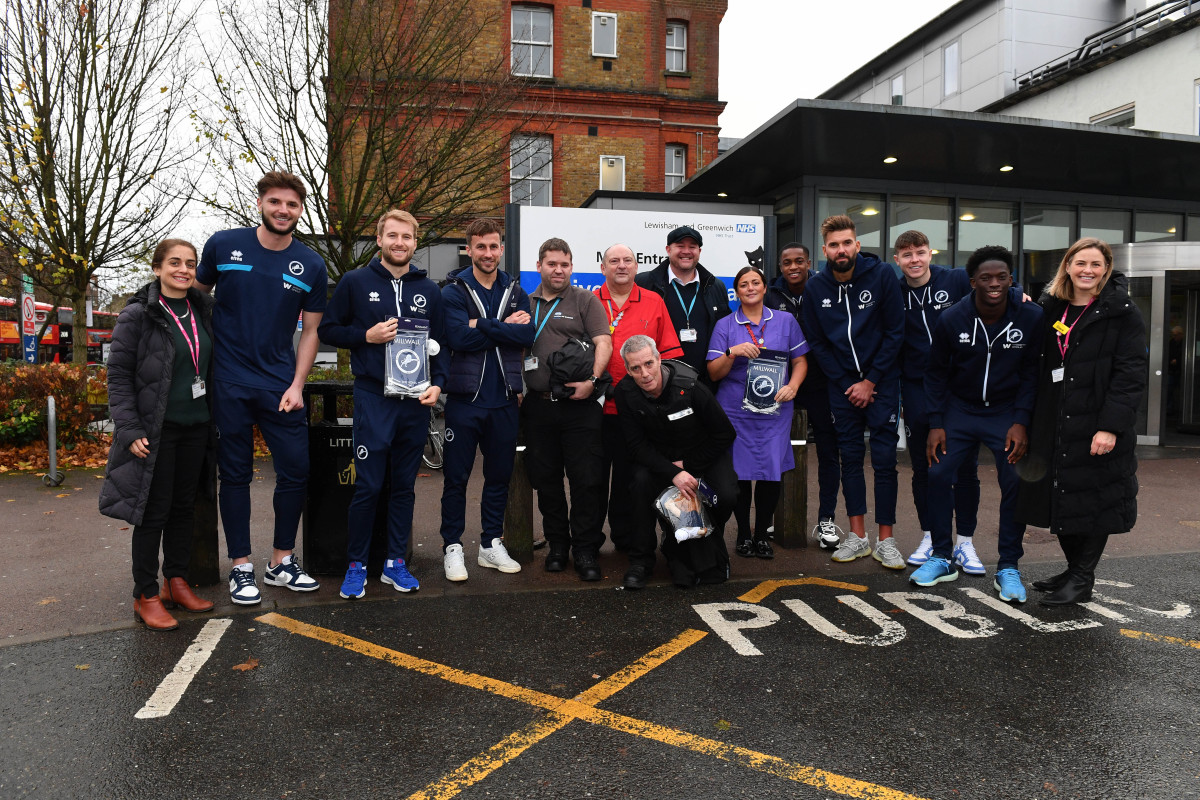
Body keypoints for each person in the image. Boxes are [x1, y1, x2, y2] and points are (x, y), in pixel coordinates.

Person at [196, 170, 327, 605]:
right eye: (275, 202)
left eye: (291, 204)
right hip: (228, 380)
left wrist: (298, 384)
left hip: (279, 385)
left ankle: (281, 562)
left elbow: (310, 332)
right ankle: (241, 567)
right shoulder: (223, 244)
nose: (283, 210)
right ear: (260, 204)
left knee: (295, 470)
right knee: (234, 474)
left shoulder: (311, 264)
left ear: (300, 210)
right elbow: (194, 301)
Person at [318, 209, 446, 598]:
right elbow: (328, 329)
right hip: (374, 397)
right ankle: (356, 565)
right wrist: (366, 336)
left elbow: (442, 348)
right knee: (369, 486)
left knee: (403, 487)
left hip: (414, 402)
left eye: (406, 237)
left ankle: (395, 563)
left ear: (415, 242)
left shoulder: (430, 290)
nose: (399, 243)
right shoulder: (355, 282)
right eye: (392, 235)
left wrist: (438, 385)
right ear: (379, 239)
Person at [1017, 237, 1147, 606]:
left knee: (1094, 499)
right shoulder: (1050, 308)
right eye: (1080, 263)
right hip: (1055, 420)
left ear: (1106, 269)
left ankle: (1082, 577)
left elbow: (1130, 374)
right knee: (1061, 493)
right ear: (1068, 267)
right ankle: (1074, 570)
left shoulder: (1121, 312)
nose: (1087, 271)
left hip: (1096, 422)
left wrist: (1110, 427)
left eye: (1095, 264)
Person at [910, 245, 1043, 604]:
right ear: (973, 282)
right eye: (986, 278)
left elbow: (1032, 374)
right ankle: (941, 556)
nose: (995, 283)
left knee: (1014, 480)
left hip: (1005, 412)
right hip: (960, 410)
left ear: (1011, 280)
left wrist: (1021, 421)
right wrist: (936, 422)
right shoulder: (952, 318)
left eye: (1002, 277)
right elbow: (935, 373)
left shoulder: (1030, 316)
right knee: (937, 474)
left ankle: (1009, 566)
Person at [100, 239, 216, 630]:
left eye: (190, 263)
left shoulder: (203, 309)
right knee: (153, 511)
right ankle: (145, 593)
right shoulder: (137, 315)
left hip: (196, 425)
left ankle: (176, 581)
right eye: (174, 263)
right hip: (155, 430)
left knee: (185, 508)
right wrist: (128, 428)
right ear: (157, 268)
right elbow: (117, 377)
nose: (183, 270)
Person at [801, 214, 905, 569]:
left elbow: (895, 331)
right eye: (834, 245)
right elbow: (816, 342)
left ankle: (886, 540)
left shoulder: (882, 275)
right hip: (842, 389)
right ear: (825, 250)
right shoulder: (816, 289)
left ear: (857, 245)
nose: (841, 249)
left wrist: (870, 381)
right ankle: (857, 536)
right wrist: (849, 384)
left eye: (847, 243)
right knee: (850, 459)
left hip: (881, 385)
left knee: (885, 462)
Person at [437, 218, 532, 582]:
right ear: (469, 249)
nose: (488, 253)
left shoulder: (516, 289)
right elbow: (459, 338)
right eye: (481, 247)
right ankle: (452, 547)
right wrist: (502, 326)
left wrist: (483, 324)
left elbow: (527, 333)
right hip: (465, 400)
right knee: (456, 478)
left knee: (498, 477)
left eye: (494, 246)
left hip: (506, 399)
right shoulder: (453, 291)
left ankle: (491, 544)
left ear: (501, 248)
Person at [522, 238, 613, 581]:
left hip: (581, 406)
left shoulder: (585, 299)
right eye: (551, 264)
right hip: (539, 407)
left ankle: (586, 549)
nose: (558, 270)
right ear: (539, 267)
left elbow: (604, 341)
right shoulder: (524, 301)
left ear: (571, 267)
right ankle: (558, 545)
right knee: (546, 481)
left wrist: (593, 379)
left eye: (564, 264)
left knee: (586, 481)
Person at [616, 335, 736, 588]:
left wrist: (689, 465)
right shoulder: (625, 392)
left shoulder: (691, 386)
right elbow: (636, 446)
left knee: (726, 495)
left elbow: (725, 433)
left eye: (649, 363)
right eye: (635, 368)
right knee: (638, 484)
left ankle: (692, 544)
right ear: (627, 370)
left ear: (660, 359)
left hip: (702, 454)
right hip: (659, 460)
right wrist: (673, 472)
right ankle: (641, 561)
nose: (645, 373)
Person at [894, 230, 982, 573]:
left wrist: (1020, 297)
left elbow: (996, 289)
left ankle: (965, 543)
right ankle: (931, 536)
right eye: (906, 254)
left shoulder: (957, 279)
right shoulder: (895, 291)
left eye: (919, 252)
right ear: (897, 260)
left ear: (930, 253)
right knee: (924, 468)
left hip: (960, 388)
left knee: (966, 467)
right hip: (917, 388)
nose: (914, 260)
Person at [594, 243, 683, 571]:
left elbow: (670, 356)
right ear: (603, 268)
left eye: (627, 260)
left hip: (637, 412)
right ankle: (590, 540)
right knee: (593, 479)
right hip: (596, 409)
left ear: (637, 266)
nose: (621, 266)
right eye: (613, 260)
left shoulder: (654, 300)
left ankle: (625, 537)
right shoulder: (589, 301)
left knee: (629, 481)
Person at [707, 266, 807, 559]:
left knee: (770, 473)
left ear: (765, 288)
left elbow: (800, 361)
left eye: (755, 283)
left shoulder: (786, 321)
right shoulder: (726, 325)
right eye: (743, 284)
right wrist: (732, 352)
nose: (750, 288)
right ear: (736, 292)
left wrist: (794, 386)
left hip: (775, 409)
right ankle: (742, 534)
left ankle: (762, 534)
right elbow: (714, 373)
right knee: (738, 475)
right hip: (736, 410)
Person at [767, 242, 843, 549]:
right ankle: (778, 516)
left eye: (800, 261)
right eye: (787, 263)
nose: (794, 267)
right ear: (781, 266)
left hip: (823, 384)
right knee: (777, 450)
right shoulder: (771, 294)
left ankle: (826, 520)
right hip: (783, 386)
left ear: (810, 262)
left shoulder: (826, 288)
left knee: (828, 451)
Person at [635, 225, 731, 384]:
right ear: (668, 250)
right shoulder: (644, 283)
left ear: (699, 252)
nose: (686, 251)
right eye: (680, 246)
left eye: (692, 247)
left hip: (705, 383)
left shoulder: (715, 286)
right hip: (659, 382)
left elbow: (724, 332)